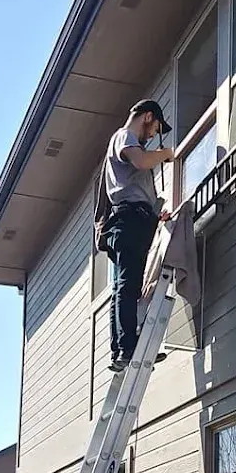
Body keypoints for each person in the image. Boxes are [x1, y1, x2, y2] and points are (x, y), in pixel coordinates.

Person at [95, 99, 174, 371]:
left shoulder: (126, 143)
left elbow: (136, 182)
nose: (153, 136)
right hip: (129, 221)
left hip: (130, 220)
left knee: (124, 287)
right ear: (148, 117)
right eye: (155, 129)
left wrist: (155, 215)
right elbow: (141, 162)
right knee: (127, 286)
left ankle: (123, 347)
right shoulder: (125, 136)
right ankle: (127, 347)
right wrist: (166, 154)